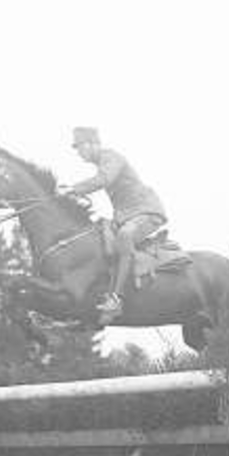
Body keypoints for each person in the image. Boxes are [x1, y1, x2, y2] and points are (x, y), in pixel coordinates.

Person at [59, 126, 168, 323]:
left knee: (125, 236)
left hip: (146, 212)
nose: (79, 153)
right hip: (126, 216)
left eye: (80, 147)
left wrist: (74, 189)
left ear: (93, 144)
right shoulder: (102, 162)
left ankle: (116, 299)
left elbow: (104, 179)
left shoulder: (111, 157)